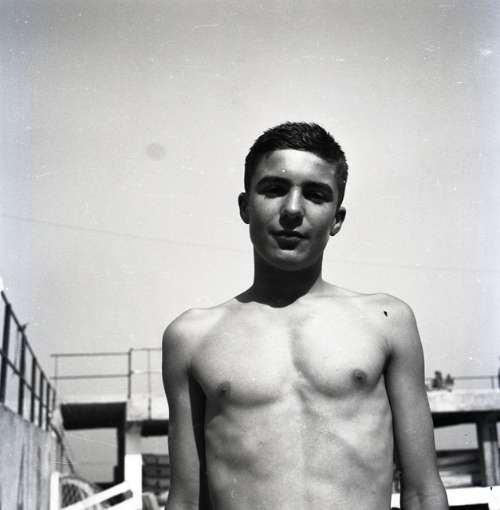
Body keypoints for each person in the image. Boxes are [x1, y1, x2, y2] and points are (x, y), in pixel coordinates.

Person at [162, 122, 448, 510]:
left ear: (337, 218)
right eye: (274, 189)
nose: (293, 210)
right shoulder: (192, 337)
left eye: (315, 195)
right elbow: (185, 501)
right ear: (245, 206)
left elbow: (423, 491)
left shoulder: (386, 321)